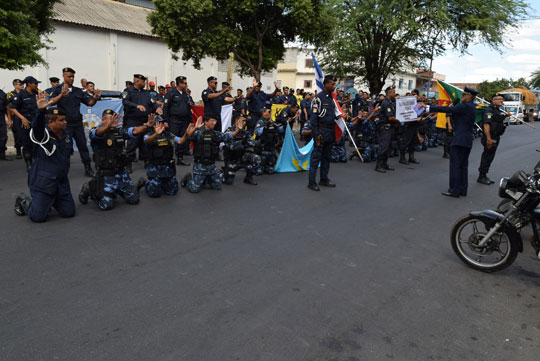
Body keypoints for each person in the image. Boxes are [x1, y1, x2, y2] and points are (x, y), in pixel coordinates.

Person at [14, 91, 75, 222]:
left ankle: (49, 202)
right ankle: (24, 200)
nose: (65, 123)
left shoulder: (67, 135)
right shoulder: (43, 135)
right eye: (62, 120)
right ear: (51, 122)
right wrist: (40, 111)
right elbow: (37, 127)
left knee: (69, 212)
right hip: (44, 183)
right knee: (38, 217)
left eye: (65, 120)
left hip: (61, 183)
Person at [78, 110, 153, 210]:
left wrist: (147, 126)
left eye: (114, 118)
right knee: (106, 205)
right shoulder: (96, 132)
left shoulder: (120, 131)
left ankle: (117, 190)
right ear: (103, 120)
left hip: (121, 173)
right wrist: (107, 126)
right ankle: (89, 188)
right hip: (106, 175)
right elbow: (98, 133)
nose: (113, 121)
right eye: (110, 119)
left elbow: (134, 130)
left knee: (134, 200)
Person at [426, 87, 478, 197]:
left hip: (459, 139)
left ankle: (454, 190)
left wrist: (427, 107)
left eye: (464, 94)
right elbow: (457, 116)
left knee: (455, 165)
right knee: (463, 166)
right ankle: (462, 189)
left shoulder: (464, 106)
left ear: (469, 96)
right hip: (467, 139)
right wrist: (453, 110)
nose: (462, 96)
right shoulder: (472, 107)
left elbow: (446, 110)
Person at [49, 67, 102, 177]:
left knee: (83, 146)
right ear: (63, 76)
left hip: (77, 123)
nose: (71, 79)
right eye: (69, 76)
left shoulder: (78, 91)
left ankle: (88, 168)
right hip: (65, 124)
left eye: (73, 77)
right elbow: (51, 102)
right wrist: (61, 95)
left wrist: (95, 98)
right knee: (65, 147)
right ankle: (63, 170)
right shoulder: (57, 89)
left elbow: (90, 103)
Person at [180, 115, 244, 193]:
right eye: (212, 121)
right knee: (194, 189)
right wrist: (195, 128)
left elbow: (228, 136)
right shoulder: (199, 133)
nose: (214, 123)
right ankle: (188, 178)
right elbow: (189, 136)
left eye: (215, 121)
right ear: (206, 122)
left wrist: (238, 130)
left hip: (211, 166)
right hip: (200, 166)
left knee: (217, 186)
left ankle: (206, 178)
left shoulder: (215, 134)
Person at [143, 116, 201, 197]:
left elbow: (180, 141)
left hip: (167, 168)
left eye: (164, 123)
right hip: (155, 169)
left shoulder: (168, 135)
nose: (164, 125)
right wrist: (156, 134)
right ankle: (144, 183)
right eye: (161, 123)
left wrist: (186, 134)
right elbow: (147, 142)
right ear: (154, 125)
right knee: (154, 194)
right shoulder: (148, 135)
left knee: (173, 191)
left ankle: (163, 182)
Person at [122, 74, 163, 169]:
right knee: (132, 143)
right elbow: (125, 102)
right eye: (143, 81)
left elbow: (152, 103)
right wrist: (136, 106)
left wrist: (157, 108)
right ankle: (128, 164)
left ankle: (147, 162)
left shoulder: (146, 93)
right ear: (137, 81)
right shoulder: (128, 91)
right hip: (133, 121)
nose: (145, 83)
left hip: (145, 121)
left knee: (146, 142)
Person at [307, 75, 338, 191]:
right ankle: (311, 181)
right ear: (325, 85)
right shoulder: (318, 99)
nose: (334, 86)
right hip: (321, 131)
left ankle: (324, 179)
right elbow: (313, 118)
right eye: (332, 84)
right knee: (316, 157)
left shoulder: (331, 99)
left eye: (335, 84)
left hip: (330, 131)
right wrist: (316, 134)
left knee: (327, 157)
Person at [477, 94, 511, 185]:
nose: (501, 101)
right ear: (493, 100)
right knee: (487, 156)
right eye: (499, 99)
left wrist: (505, 116)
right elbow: (486, 124)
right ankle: (481, 176)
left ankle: (484, 174)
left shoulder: (497, 110)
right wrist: (488, 139)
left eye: (502, 99)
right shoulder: (489, 110)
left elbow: (497, 120)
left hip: (496, 136)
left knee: (490, 156)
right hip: (490, 137)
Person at [10, 76, 41, 171]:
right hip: (25, 122)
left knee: (37, 143)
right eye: (35, 83)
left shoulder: (37, 94)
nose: (37, 85)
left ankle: (38, 163)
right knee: (27, 144)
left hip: (36, 121)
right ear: (29, 84)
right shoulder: (21, 95)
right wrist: (22, 118)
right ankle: (29, 164)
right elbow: (13, 108)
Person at [222, 115, 261, 185]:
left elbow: (252, 143)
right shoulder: (229, 131)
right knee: (228, 181)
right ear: (237, 121)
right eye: (242, 121)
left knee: (256, 158)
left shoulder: (245, 133)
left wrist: (260, 140)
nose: (244, 123)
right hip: (232, 158)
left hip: (242, 156)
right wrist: (241, 143)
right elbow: (230, 146)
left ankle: (248, 178)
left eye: (245, 121)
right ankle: (224, 172)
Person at [163, 76, 192, 166]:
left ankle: (180, 158)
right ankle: (169, 158)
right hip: (174, 120)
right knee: (172, 140)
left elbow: (188, 108)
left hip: (184, 121)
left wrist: (190, 121)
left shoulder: (185, 95)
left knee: (182, 139)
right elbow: (166, 108)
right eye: (185, 83)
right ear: (180, 83)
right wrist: (165, 121)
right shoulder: (171, 93)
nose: (186, 85)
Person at [374, 86, 399, 173]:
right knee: (384, 147)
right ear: (390, 93)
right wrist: (398, 121)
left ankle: (384, 163)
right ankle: (378, 165)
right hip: (385, 128)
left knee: (388, 147)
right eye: (394, 92)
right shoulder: (386, 103)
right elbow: (390, 118)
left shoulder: (390, 102)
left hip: (390, 128)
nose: (395, 94)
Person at [255, 108, 283, 174]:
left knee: (271, 168)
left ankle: (268, 166)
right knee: (260, 169)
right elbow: (257, 132)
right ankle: (260, 166)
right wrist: (265, 126)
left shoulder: (272, 121)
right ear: (264, 113)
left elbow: (279, 130)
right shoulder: (261, 122)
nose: (270, 113)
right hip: (263, 146)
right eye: (269, 112)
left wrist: (283, 125)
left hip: (271, 145)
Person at [399, 89, 422, 165]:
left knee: (413, 143)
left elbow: (420, 113)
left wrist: (420, 118)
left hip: (415, 125)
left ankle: (411, 157)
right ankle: (402, 158)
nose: (414, 96)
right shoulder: (407, 103)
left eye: (415, 94)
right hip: (408, 125)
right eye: (413, 94)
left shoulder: (418, 104)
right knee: (405, 142)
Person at [7, 79, 24, 159]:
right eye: (20, 84)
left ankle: (27, 151)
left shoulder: (25, 94)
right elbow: (8, 108)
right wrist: (9, 119)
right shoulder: (10, 95)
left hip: (25, 116)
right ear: (15, 85)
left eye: (22, 84)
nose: (22, 86)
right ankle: (18, 151)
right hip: (16, 117)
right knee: (18, 135)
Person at [0, 88, 12, 161]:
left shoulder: (2, 93)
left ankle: (2, 154)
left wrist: (9, 119)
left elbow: (7, 107)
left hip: (1, 117)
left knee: (3, 136)